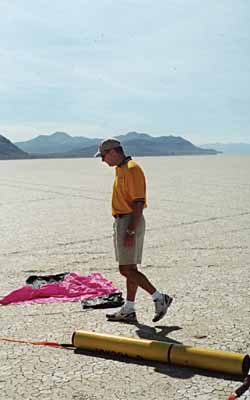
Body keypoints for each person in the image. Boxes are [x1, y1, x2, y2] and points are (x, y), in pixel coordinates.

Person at [95, 137, 173, 323]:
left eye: (104, 156)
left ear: (113, 152)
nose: (103, 160)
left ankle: (159, 297)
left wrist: (130, 230)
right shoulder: (120, 169)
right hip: (123, 220)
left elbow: (138, 202)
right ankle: (129, 308)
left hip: (130, 220)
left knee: (125, 269)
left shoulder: (132, 169)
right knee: (130, 268)